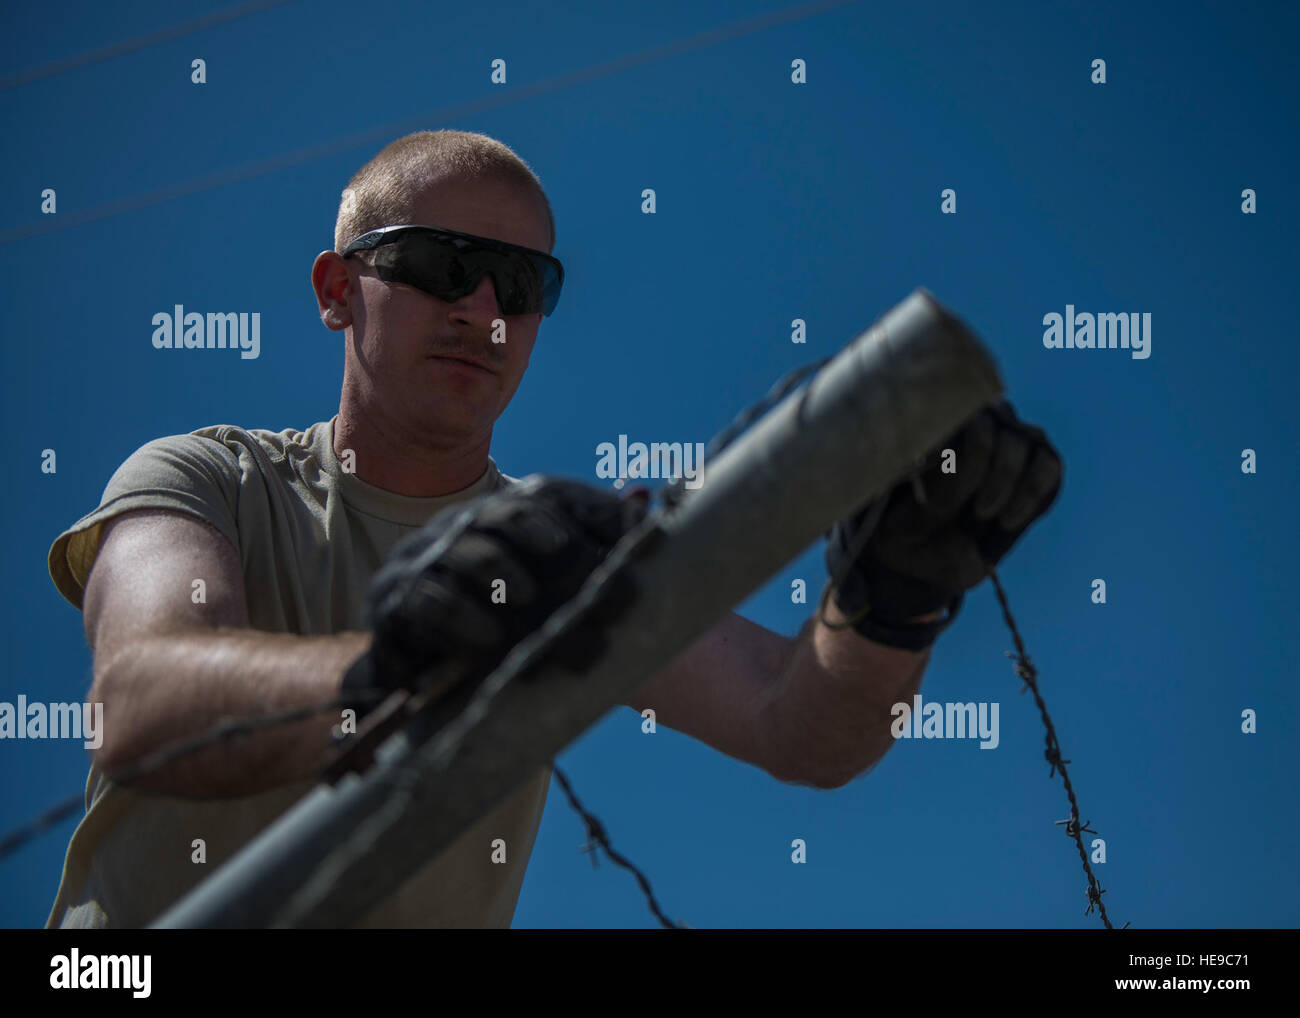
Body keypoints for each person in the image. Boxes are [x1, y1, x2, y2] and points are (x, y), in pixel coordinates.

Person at [43, 129, 1062, 929]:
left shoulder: (555, 559)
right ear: (336, 290)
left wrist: (891, 604)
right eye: (442, 264)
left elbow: (798, 729)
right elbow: (142, 703)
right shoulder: (210, 475)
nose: (483, 308)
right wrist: (393, 673)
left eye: (522, 287)